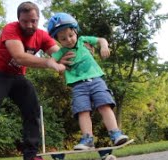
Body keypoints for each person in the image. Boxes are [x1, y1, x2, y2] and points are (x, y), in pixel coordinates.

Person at [0, 2, 67, 160]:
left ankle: (31, 155)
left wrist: (79, 56)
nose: (29, 25)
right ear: (18, 19)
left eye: (33, 21)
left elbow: (61, 54)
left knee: (32, 110)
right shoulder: (11, 29)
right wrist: (49, 63)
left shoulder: (41, 36)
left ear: (38, 19)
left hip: (18, 77)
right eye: (25, 21)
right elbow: (20, 57)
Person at [47, 12, 129, 150]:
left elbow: (101, 40)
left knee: (105, 105)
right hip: (78, 86)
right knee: (82, 110)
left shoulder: (83, 40)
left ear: (76, 31)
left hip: (96, 80)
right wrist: (56, 65)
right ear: (58, 40)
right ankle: (87, 139)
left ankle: (115, 134)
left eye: (71, 35)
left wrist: (104, 46)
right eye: (63, 39)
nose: (69, 40)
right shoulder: (61, 52)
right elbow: (50, 60)